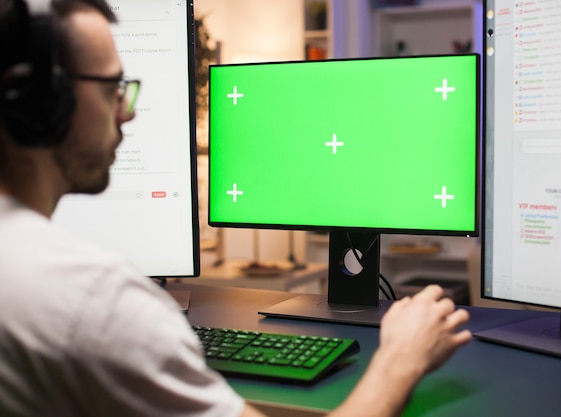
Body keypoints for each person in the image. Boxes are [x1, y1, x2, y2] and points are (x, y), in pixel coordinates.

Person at [0, 0, 472, 416]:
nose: (128, 111)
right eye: (112, 88)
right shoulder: (92, 301)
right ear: (41, 103)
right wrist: (400, 361)